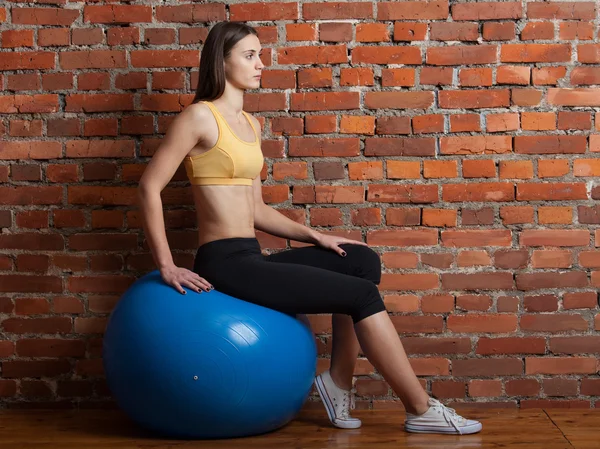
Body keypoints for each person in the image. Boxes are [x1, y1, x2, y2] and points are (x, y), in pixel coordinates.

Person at [137, 21, 482, 435]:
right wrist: (167, 265)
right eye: (249, 55)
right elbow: (148, 187)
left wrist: (316, 236)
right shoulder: (198, 117)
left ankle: (337, 382)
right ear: (222, 60)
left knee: (359, 260)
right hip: (223, 264)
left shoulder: (250, 125)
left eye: (260, 54)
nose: (260, 63)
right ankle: (420, 408)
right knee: (360, 294)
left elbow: (257, 210)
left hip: (250, 255)